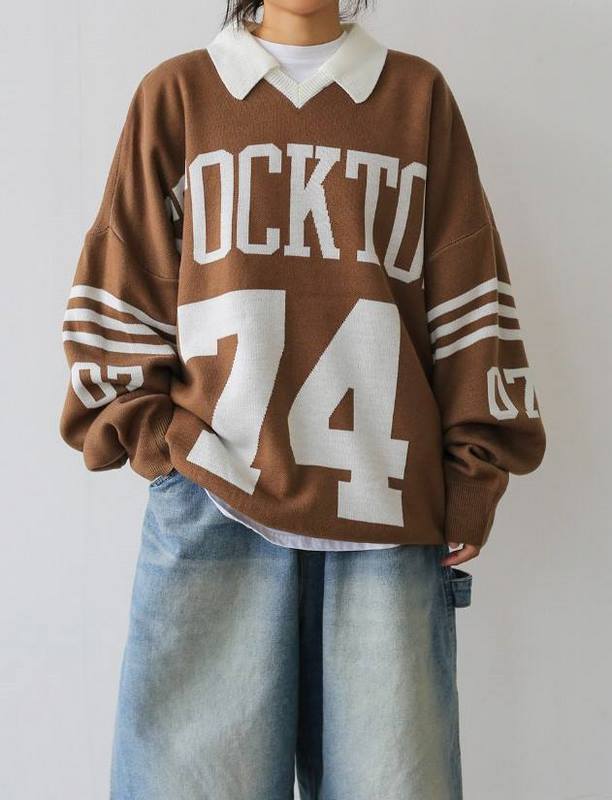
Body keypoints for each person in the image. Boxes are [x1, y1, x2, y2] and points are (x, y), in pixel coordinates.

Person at [59, 1, 547, 797]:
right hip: (213, 502)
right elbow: (120, 284)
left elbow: (468, 287)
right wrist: (159, 448)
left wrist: (473, 471)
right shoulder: (179, 94)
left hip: (386, 510)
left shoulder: (416, 98)